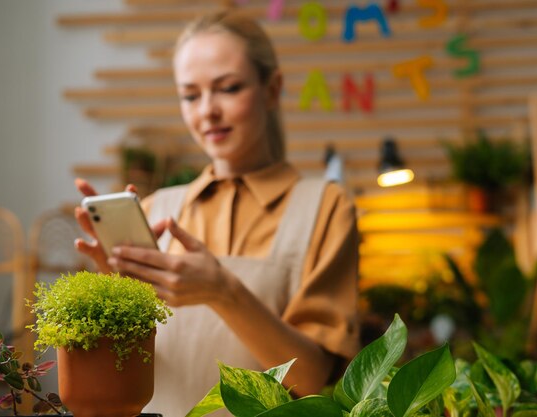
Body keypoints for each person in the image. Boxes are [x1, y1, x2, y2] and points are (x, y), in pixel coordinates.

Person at [74, 10, 359, 417]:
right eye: (190, 95)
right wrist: (110, 296)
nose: (207, 111)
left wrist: (224, 293)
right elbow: (120, 377)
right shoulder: (157, 210)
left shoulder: (325, 207)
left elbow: (314, 381)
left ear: (272, 89)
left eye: (227, 88)